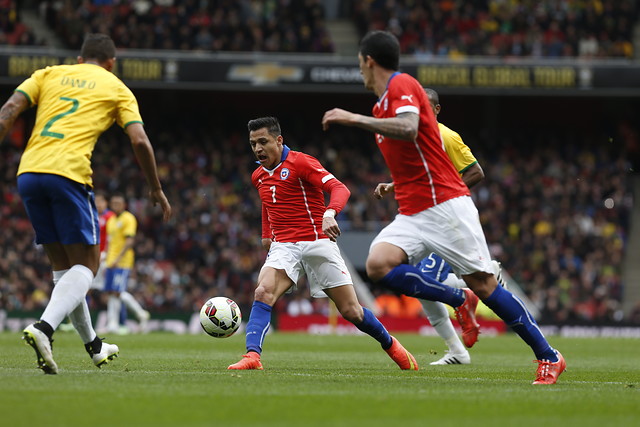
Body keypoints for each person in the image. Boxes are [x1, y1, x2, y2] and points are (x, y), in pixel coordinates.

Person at [321, 31, 565, 384]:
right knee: (378, 265)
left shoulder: (401, 84)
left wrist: (354, 119)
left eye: (359, 63)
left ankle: (549, 356)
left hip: (446, 205)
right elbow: (417, 153)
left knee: (485, 286)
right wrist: (395, 184)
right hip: (414, 210)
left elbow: (409, 128)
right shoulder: (381, 105)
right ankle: (456, 298)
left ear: (368, 60)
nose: (359, 69)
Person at [0, 33, 171, 374]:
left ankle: (94, 346)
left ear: (79, 59)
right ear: (111, 63)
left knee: (64, 270)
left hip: (29, 172)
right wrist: (155, 187)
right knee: (88, 267)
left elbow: (8, 110)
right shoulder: (116, 87)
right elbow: (139, 140)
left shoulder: (48, 74)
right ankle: (44, 328)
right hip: (69, 174)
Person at [228, 116, 418, 371]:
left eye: (263, 141)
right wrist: (266, 233)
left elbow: (340, 189)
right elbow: (267, 202)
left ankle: (391, 344)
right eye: (253, 144)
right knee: (263, 292)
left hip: (317, 240)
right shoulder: (258, 175)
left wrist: (329, 214)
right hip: (285, 245)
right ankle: (253, 356)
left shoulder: (301, 162)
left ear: (279, 140)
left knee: (352, 311)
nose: (258, 148)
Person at [374, 87, 503, 365]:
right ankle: (456, 350)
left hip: (446, 220)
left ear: (437, 109)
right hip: (425, 219)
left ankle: (485, 278)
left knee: (430, 282)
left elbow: (476, 172)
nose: (420, 111)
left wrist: (446, 198)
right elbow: (427, 178)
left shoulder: (446, 135)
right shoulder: (418, 139)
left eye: (427, 107)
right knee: (422, 288)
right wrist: (393, 185)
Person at [103, 193, 150, 334]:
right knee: (113, 292)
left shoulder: (128, 218)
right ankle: (116, 322)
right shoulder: (111, 219)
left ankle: (118, 322)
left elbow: (129, 241)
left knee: (117, 291)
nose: (115, 206)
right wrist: (106, 257)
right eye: (113, 203)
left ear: (124, 205)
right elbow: (110, 241)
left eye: (118, 203)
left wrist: (117, 259)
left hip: (123, 262)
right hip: (111, 261)